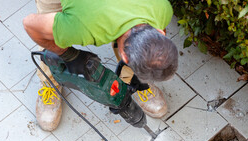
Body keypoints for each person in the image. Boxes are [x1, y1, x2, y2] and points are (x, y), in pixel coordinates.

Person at [23, 0, 178, 131]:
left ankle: (134, 78)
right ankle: (50, 82)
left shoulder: (160, 8)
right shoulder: (81, 26)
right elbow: (30, 24)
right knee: (51, 32)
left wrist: (134, 74)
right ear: (124, 56)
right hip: (86, 13)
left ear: (160, 32)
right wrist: (67, 55)